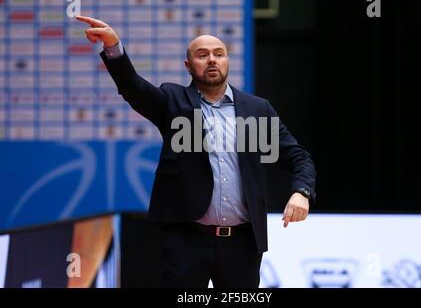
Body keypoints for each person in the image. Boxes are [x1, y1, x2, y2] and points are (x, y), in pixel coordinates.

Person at [76, 15, 316, 288]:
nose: (212, 59)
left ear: (227, 61)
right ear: (189, 67)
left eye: (219, 54)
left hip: (243, 244)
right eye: (202, 55)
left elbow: (298, 157)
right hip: (188, 241)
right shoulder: (173, 101)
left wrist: (302, 192)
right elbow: (134, 88)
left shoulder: (257, 110)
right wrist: (113, 46)